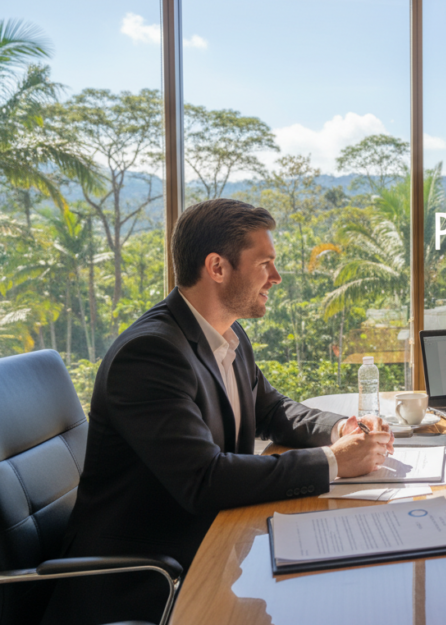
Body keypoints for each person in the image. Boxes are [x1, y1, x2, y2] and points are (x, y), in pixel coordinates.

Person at [43, 199, 394, 625]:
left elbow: (273, 409)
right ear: (217, 267)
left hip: (215, 548)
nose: (276, 278)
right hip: (144, 579)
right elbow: (204, 480)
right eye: (265, 264)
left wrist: (342, 426)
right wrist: (334, 462)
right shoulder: (150, 354)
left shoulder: (226, 334)